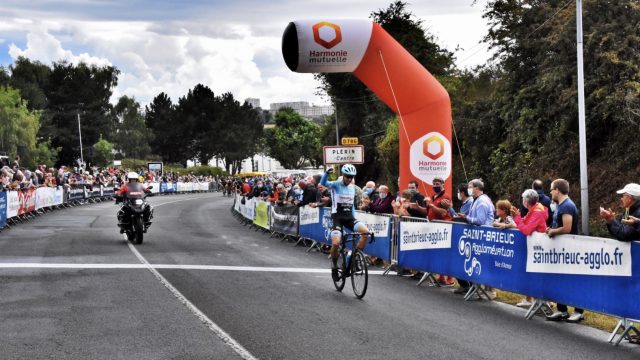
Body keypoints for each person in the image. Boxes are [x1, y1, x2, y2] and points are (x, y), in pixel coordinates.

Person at [320, 164, 371, 282]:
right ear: (343, 175)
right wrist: (327, 173)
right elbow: (324, 183)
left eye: (351, 177)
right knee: (336, 243)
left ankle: (354, 258)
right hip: (337, 217)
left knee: (366, 233)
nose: (349, 179)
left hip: (349, 217)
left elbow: (351, 205)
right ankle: (334, 265)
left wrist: (354, 219)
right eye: (347, 176)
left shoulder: (352, 187)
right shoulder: (336, 184)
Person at [543, 178, 584, 322]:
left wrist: (553, 232)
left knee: (572, 281)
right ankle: (562, 310)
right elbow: (559, 225)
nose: (550, 192)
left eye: (551, 189)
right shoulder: (560, 205)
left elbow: (567, 227)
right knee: (559, 279)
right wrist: (551, 229)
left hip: (570, 250)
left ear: (557, 190)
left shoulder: (567, 206)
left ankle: (579, 311)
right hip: (561, 250)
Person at [454, 179, 494, 294]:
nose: (468, 189)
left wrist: (466, 218)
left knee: (482, 263)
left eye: (470, 186)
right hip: (478, 237)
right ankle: (477, 287)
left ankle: (484, 289)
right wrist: (466, 216)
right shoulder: (477, 200)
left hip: (483, 237)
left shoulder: (482, 201)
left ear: (476, 188)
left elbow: (480, 220)